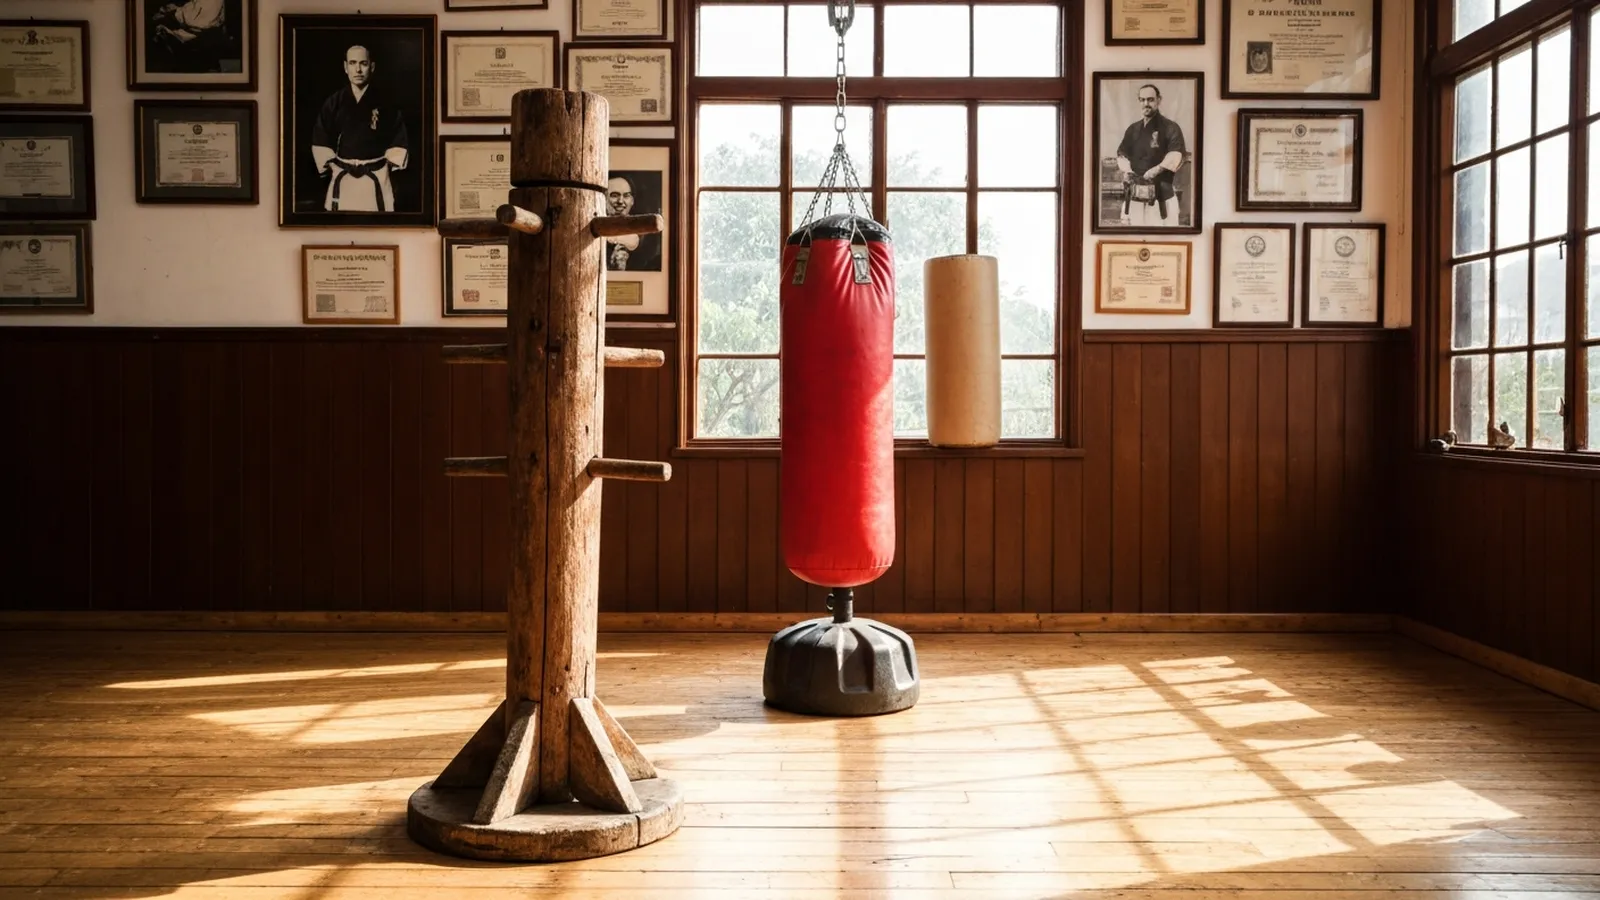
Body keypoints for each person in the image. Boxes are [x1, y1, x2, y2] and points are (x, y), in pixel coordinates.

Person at [309, 44, 410, 213]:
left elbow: (398, 137)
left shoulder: (387, 103)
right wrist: (332, 164)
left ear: (372, 66)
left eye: (363, 63)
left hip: (375, 174)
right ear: (345, 67)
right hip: (343, 174)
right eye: (353, 63)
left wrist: (389, 163)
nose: (358, 70)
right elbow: (321, 135)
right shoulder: (334, 102)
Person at [1114, 84, 1187, 229]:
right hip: (1135, 197)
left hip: (1161, 199)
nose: (1146, 104)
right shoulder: (1133, 129)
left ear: (1159, 100)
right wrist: (1128, 171)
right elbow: (1122, 154)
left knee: (1163, 242)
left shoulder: (1170, 128)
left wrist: (1156, 170)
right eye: (1142, 100)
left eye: (1150, 99)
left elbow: (1176, 154)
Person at [149, 0, 230, 72]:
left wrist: (170, 14)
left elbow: (194, 18)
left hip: (202, 40)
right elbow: (193, 6)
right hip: (197, 33)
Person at [604, 174, 661, 271]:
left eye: (626, 196)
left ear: (632, 201)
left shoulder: (647, 239)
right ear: (604, 199)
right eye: (614, 195)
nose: (621, 201)